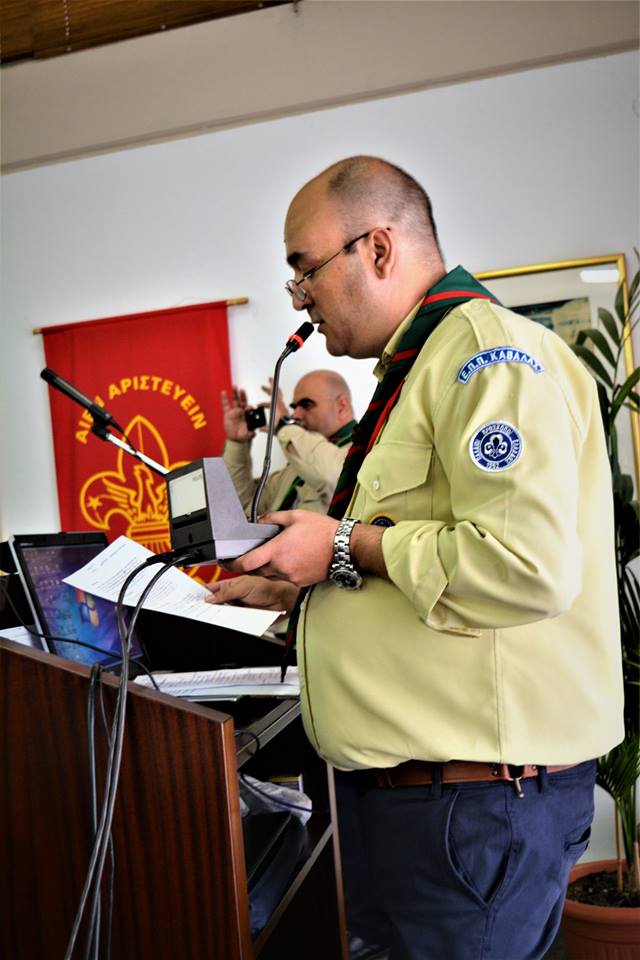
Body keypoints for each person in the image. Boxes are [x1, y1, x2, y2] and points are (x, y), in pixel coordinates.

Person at [207, 156, 624, 960]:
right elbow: (414, 558)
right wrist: (298, 589)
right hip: (423, 805)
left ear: (378, 248)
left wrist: (341, 543)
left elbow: (522, 564)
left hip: (470, 810)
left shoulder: (487, 356)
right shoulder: (421, 371)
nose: (299, 297)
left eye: (304, 269)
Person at [221, 370, 356, 516]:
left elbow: (332, 476)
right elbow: (243, 510)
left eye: (306, 405)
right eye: (294, 407)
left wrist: (283, 424)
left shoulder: (364, 451)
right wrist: (238, 444)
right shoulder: (296, 465)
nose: (295, 415)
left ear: (341, 406)